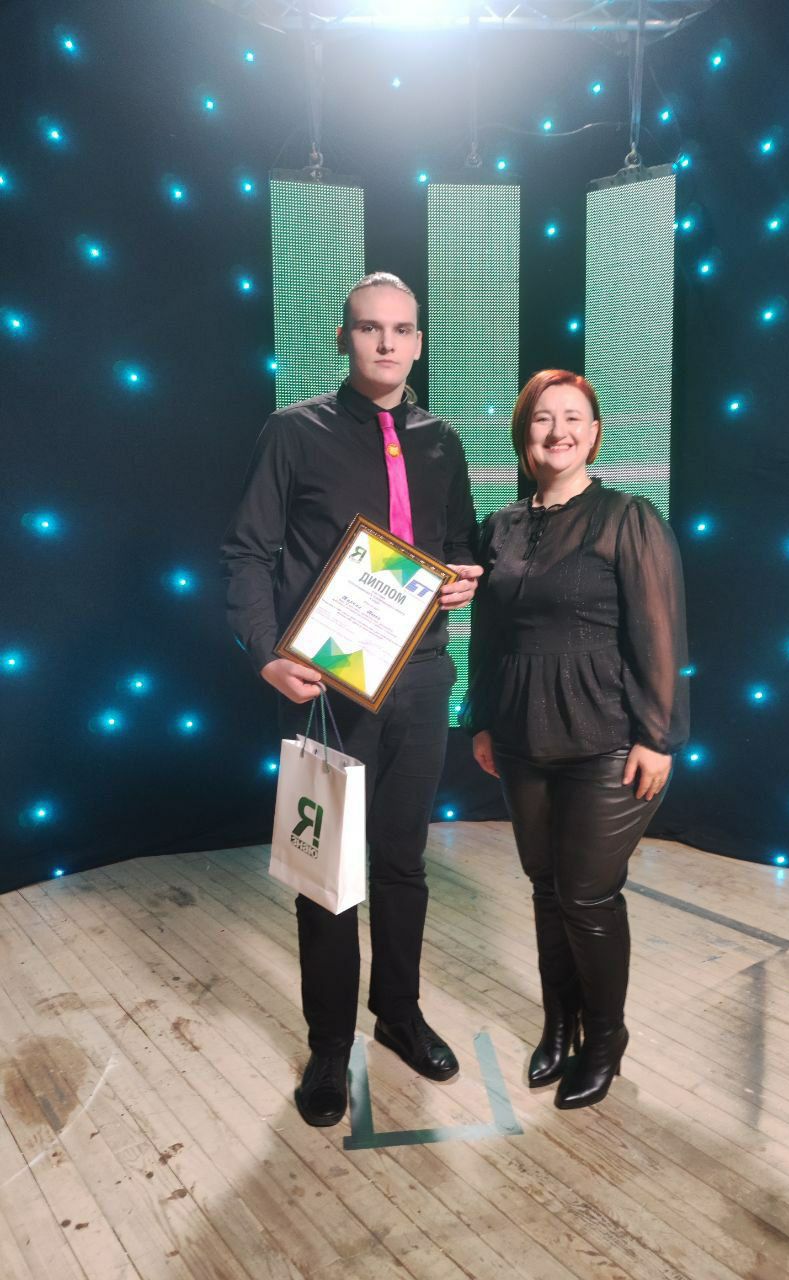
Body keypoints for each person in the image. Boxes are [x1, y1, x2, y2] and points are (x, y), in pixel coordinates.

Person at [222, 272, 481, 1127]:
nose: (386, 342)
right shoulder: (292, 431)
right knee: (327, 873)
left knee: (404, 864)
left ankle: (398, 1015)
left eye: (402, 329)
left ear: (419, 343)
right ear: (344, 338)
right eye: (370, 328)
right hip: (329, 687)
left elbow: (458, 545)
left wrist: (466, 578)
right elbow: (248, 552)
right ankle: (330, 1045)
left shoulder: (443, 441)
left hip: (423, 677)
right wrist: (267, 654)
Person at [464, 369, 689, 1110]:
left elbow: (659, 632)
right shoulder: (499, 527)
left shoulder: (628, 518)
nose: (556, 431)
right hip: (519, 734)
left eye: (572, 418)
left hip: (607, 738)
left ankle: (605, 1039)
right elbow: (490, 633)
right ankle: (558, 1025)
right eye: (541, 419)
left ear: (593, 434)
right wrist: (483, 718)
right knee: (545, 888)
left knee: (587, 896)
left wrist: (658, 736)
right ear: (523, 436)